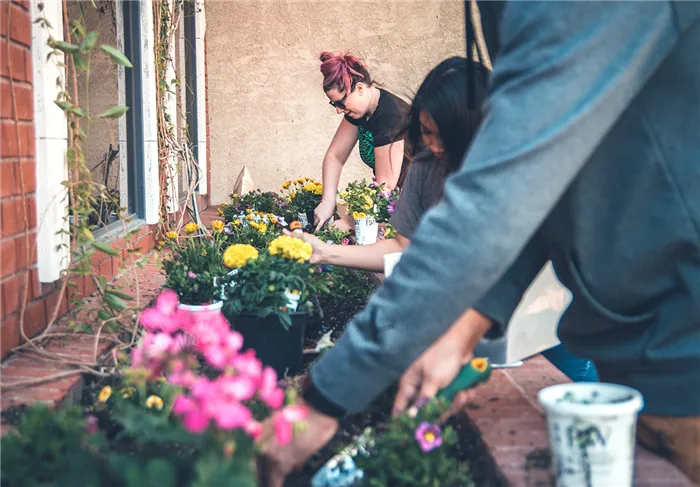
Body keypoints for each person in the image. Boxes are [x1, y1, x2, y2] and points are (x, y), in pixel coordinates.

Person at [259, 1, 700, 485]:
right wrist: (465, 329)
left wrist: (328, 395)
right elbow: (538, 197)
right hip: (637, 351)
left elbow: (503, 195)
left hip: (680, 352)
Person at [290, 56, 598, 383]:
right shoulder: (424, 167)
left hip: (550, 317)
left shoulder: (516, 167)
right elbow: (403, 247)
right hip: (482, 326)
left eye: (443, 136)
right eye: (425, 132)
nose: (433, 146)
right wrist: (324, 252)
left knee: (573, 391)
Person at [313, 52, 409, 232]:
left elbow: (385, 188)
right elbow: (335, 156)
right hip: (396, 203)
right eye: (334, 105)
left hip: (425, 203)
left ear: (359, 89)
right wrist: (328, 200)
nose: (339, 111)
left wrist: (349, 222)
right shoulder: (360, 111)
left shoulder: (390, 117)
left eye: (341, 103)